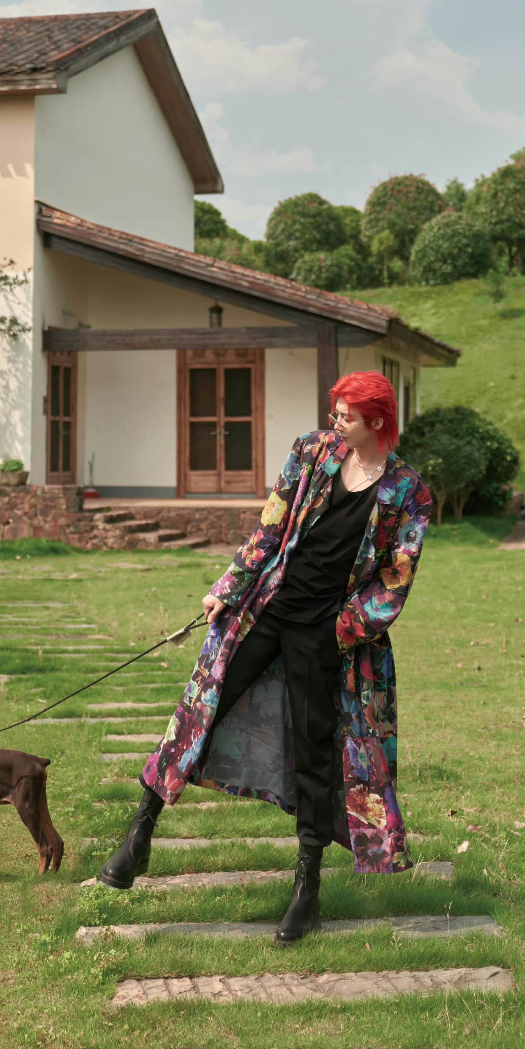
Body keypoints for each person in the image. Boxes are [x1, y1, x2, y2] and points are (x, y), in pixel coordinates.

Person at [98, 370, 432, 944]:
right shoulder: (311, 451)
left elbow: (394, 583)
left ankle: (308, 890)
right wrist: (227, 588)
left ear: (376, 421)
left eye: (346, 414)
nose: (335, 421)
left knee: (315, 750)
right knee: (201, 710)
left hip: (328, 636)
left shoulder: (408, 492)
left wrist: (341, 631)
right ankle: (140, 834)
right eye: (335, 411)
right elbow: (269, 527)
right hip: (266, 610)